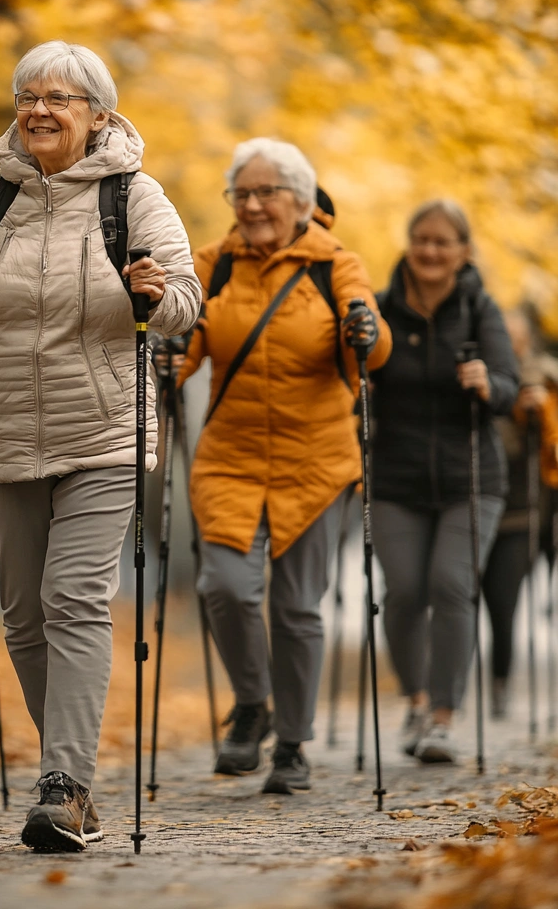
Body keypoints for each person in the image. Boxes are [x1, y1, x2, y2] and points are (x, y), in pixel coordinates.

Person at [0, 41, 200, 851]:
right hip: (3, 429)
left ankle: (62, 786)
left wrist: (157, 294)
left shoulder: (133, 196)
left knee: (73, 599)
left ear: (98, 114)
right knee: (23, 619)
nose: (40, 109)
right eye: (29, 94)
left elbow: (185, 301)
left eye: (61, 97)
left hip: (103, 430)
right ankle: (73, 779)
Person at [179, 140, 390, 795]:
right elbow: (181, 341)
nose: (252, 205)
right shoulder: (212, 265)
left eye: (267, 192)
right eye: (241, 193)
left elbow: (373, 348)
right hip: (231, 459)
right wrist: (159, 359)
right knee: (224, 586)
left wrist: (365, 331)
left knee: (298, 609)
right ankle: (252, 703)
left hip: (315, 462)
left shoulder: (336, 264)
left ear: (300, 200)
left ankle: (292, 746)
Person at [371, 199, 519, 763]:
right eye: (421, 239)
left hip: (471, 477)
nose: (430, 250)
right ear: (409, 244)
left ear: (463, 252)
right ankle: (415, 700)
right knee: (405, 593)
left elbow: (508, 386)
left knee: (451, 585)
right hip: (394, 476)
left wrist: (490, 383)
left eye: (442, 241)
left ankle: (442, 717)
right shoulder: (381, 309)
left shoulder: (481, 309)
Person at [481, 308, 558, 718]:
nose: (510, 345)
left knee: (503, 604)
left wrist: (537, 413)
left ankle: (499, 684)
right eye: (503, 336)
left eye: (516, 337)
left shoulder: (544, 381)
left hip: (521, 515)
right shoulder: (482, 380)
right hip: (475, 503)